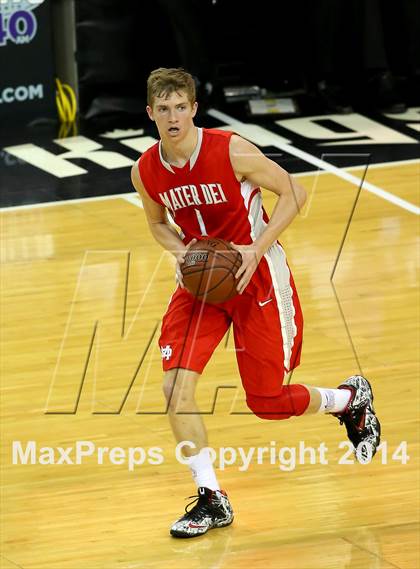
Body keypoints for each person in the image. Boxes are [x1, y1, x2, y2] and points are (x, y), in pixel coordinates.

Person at [130, 67, 381, 538]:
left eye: (180, 107)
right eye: (162, 109)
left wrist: (257, 247)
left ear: (193, 109)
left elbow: (294, 192)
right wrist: (185, 254)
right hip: (201, 283)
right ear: (150, 113)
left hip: (256, 274)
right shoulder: (145, 171)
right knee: (174, 389)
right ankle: (211, 498)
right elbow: (157, 223)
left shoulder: (231, 149)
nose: (172, 117)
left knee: (266, 401)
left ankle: (348, 401)